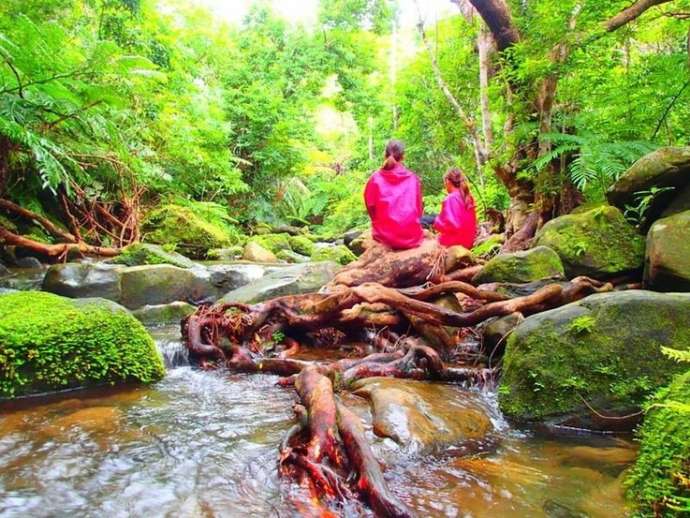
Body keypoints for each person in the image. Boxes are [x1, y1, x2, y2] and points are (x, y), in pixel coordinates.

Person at [364, 140, 424, 250]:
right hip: (411, 237)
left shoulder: (375, 179)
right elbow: (419, 209)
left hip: (384, 237)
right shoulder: (413, 178)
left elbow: (370, 207)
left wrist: (378, 223)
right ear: (403, 156)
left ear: (385, 155)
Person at [434, 168, 477, 249]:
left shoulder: (450, 198)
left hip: (454, 243)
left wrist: (436, 222)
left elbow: (453, 225)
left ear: (448, 181)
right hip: (468, 242)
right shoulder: (468, 197)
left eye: (444, 183)